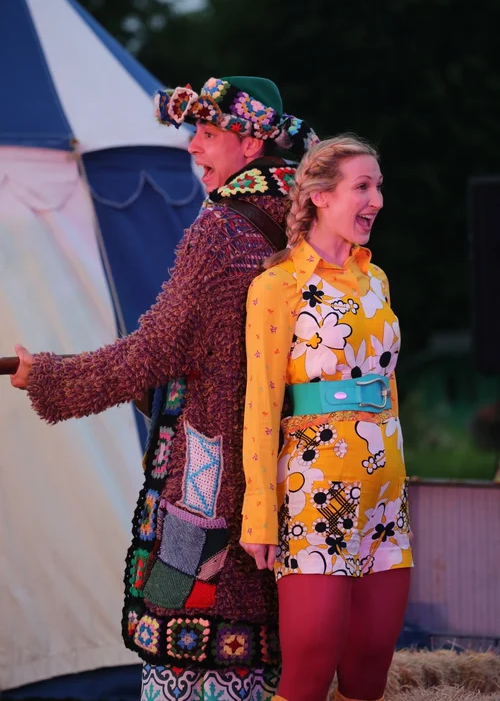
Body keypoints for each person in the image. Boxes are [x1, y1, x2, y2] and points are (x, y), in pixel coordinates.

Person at [10, 76, 319, 701]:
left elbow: (154, 351)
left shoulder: (221, 231)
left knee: (182, 630)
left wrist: (46, 375)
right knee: (269, 656)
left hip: (210, 474)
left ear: (251, 144)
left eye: (206, 133)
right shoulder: (307, 229)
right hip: (289, 474)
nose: (192, 147)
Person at [240, 135, 413, 701]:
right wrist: (259, 515)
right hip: (315, 494)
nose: (377, 200)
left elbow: (387, 387)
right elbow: (262, 404)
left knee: (370, 665)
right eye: (363, 186)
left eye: (379, 187)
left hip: (384, 494)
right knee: (310, 668)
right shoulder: (277, 285)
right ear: (319, 195)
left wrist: (396, 477)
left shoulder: (376, 280)